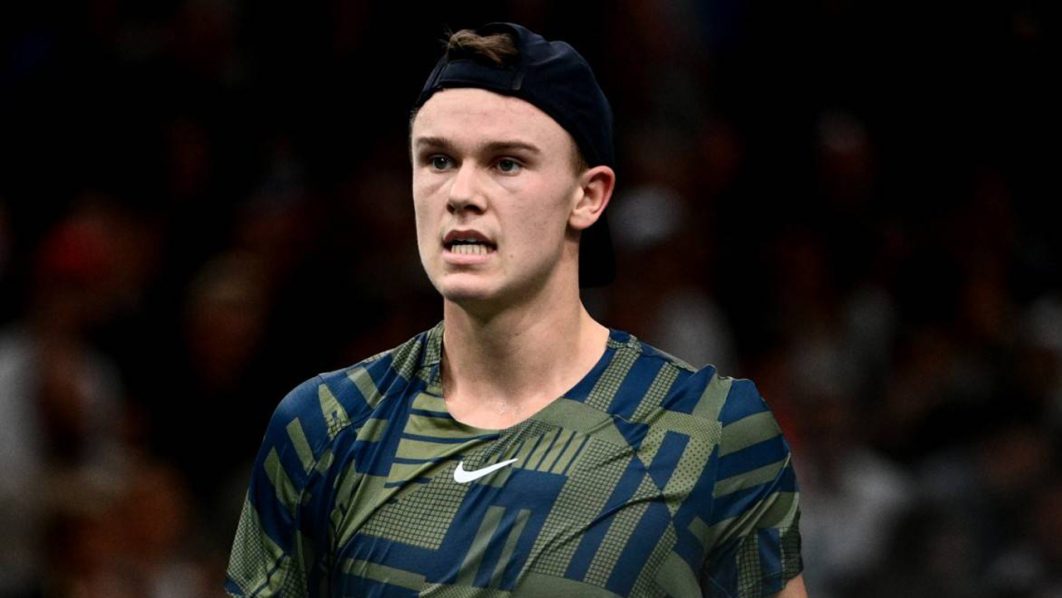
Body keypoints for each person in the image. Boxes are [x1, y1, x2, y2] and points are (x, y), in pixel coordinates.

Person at [225, 22, 805, 597]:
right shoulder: (324, 427)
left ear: (588, 196)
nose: (461, 194)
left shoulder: (713, 432)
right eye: (438, 160)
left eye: (506, 163)